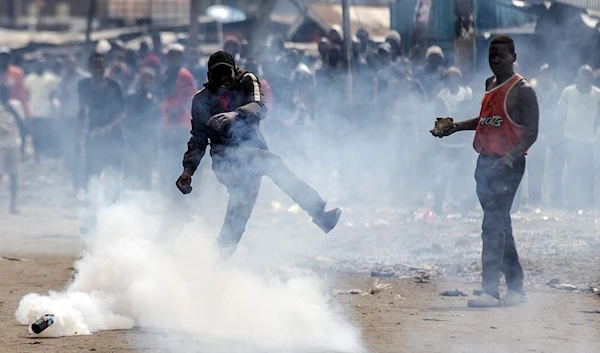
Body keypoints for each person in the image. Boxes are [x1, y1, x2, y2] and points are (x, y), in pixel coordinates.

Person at [176, 51, 342, 259]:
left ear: (234, 71)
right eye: (217, 74)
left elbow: (260, 106)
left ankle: (213, 265)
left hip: (252, 154)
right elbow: (198, 139)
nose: (223, 79)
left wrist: (236, 114)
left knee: (236, 219)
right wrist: (187, 170)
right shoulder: (201, 100)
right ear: (209, 76)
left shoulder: (247, 80)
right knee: (270, 162)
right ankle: (318, 213)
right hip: (225, 163)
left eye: (226, 73)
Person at [431, 36, 539, 307]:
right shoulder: (490, 85)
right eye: (491, 55)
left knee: (492, 224)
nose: (495, 60)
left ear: (513, 56)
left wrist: (511, 156)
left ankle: (490, 291)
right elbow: (486, 122)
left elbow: (532, 132)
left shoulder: (523, 89)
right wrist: (456, 126)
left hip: (508, 166)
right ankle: (516, 288)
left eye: (500, 55)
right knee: (500, 223)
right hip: (485, 163)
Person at [77, 53, 125, 232]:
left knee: (112, 180)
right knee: (91, 180)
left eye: (101, 65)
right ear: (90, 67)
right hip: (92, 140)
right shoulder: (83, 86)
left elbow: (122, 113)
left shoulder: (114, 86)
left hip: (113, 140)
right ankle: (90, 222)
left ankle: (112, 221)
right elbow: (82, 113)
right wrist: (79, 139)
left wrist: (107, 128)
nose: (98, 69)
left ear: (106, 67)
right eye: (95, 65)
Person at [556, 65, 600, 211]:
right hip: (570, 138)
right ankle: (570, 205)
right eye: (582, 75)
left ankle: (586, 205)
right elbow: (560, 116)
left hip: (588, 140)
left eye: (588, 75)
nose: (585, 78)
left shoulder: (597, 94)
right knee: (571, 172)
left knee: (588, 173)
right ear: (578, 76)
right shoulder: (568, 92)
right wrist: (559, 137)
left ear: (591, 78)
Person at [159, 43, 198, 198]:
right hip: (167, 125)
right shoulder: (167, 74)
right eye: (171, 55)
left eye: (176, 56)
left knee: (178, 161)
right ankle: (172, 195)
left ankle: (181, 197)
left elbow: (191, 98)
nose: (173, 59)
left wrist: (177, 112)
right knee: (168, 162)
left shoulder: (185, 75)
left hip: (180, 125)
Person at [122, 67, 160, 190]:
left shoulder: (153, 100)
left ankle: (143, 196)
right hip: (132, 140)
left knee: (146, 171)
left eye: (150, 79)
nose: (147, 81)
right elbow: (126, 117)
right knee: (131, 171)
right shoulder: (130, 97)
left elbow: (155, 121)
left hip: (147, 140)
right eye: (144, 78)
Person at [24, 58, 59, 160]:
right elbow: (27, 95)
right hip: (34, 110)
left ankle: (46, 153)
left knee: (47, 133)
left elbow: (53, 94)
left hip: (47, 111)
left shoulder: (51, 78)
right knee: (35, 134)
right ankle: (37, 155)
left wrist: (54, 110)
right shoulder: (29, 79)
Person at [0, 83, 25, 213]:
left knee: (14, 175)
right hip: (0, 146)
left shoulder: (15, 105)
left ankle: (13, 204)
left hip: (14, 144)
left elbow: (22, 123)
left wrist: (24, 145)